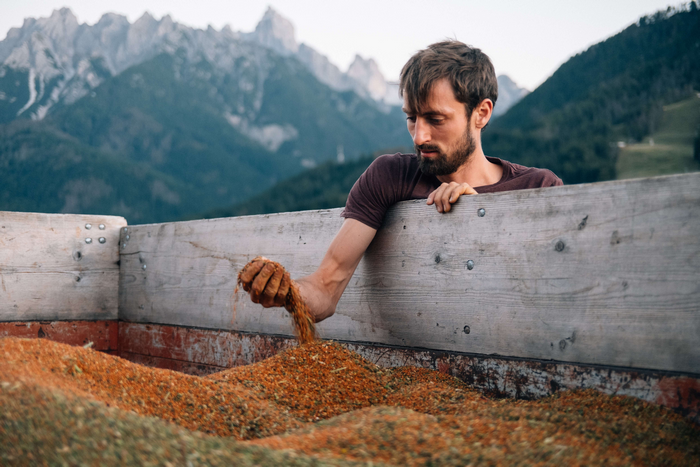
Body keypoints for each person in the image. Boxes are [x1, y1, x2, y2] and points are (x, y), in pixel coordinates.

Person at [239, 40, 562, 322]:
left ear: (481, 113)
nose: (419, 136)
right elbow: (325, 289)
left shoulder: (540, 188)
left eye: (436, 119)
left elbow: (561, 299)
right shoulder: (389, 176)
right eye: (411, 118)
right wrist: (288, 292)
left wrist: (481, 213)